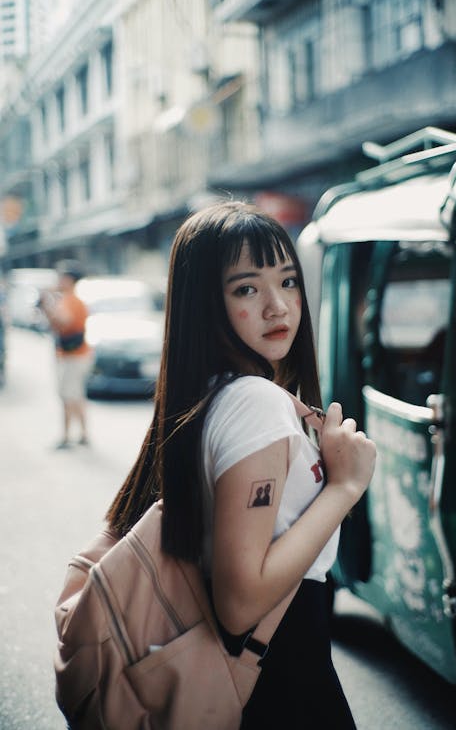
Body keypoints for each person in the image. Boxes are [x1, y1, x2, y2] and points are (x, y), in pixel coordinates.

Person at [105, 201, 376, 729]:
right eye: (247, 289)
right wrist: (344, 487)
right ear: (207, 304)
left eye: (289, 282)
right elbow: (240, 599)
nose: (279, 307)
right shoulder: (256, 403)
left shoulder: (216, 396)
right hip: (280, 676)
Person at [39, 259, 93, 449]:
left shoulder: (70, 300)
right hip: (76, 354)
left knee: (68, 396)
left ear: (69, 279)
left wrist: (48, 303)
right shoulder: (70, 299)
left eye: (61, 277)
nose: (58, 280)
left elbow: (63, 322)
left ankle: (66, 436)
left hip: (73, 356)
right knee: (76, 395)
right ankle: (84, 434)